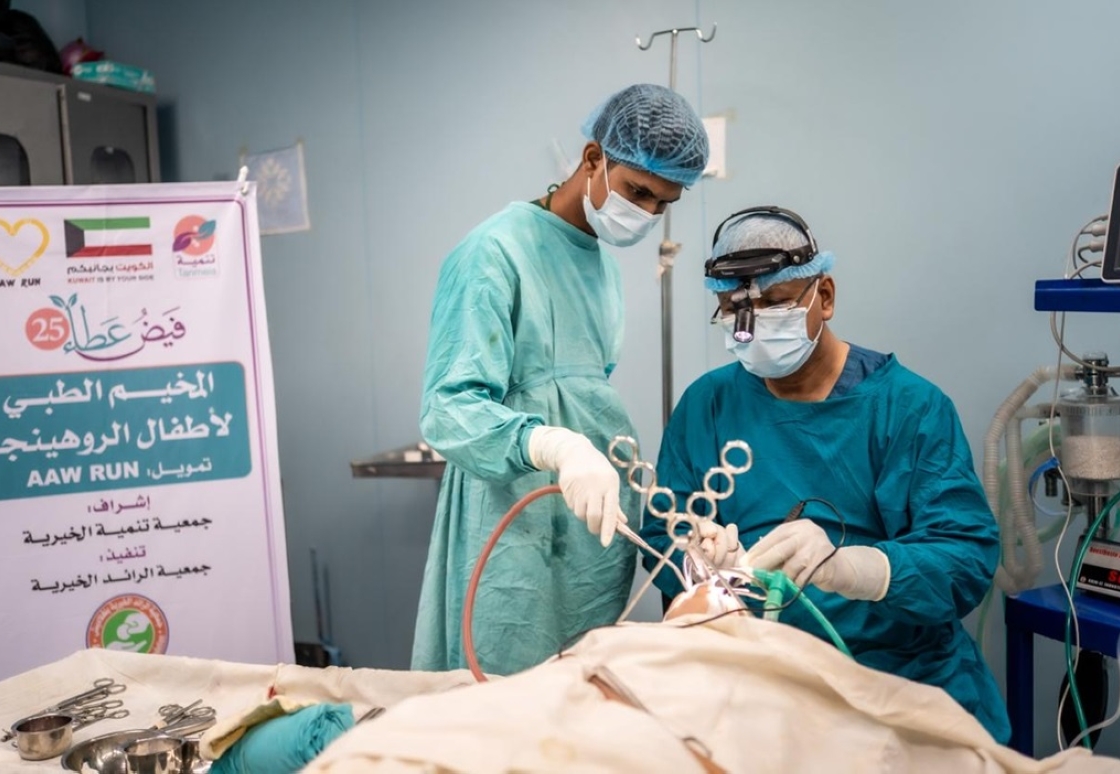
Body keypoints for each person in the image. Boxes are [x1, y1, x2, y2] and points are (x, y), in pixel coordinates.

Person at [639, 206, 1010, 744]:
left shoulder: (909, 408)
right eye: (735, 309)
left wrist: (857, 569)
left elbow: (964, 558)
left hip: (895, 683)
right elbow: (662, 533)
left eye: (774, 303)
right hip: (755, 681)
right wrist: (698, 562)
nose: (752, 324)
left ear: (825, 297)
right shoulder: (708, 404)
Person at [412, 84, 710, 675]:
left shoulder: (602, 270)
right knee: (502, 692)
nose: (648, 213)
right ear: (593, 158)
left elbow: (582, 393)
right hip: (512, 517)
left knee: (583, 692)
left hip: (588, 528)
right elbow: (448, 409)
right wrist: (553, 444)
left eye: (663, 203)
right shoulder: (492, 252)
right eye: (638, 191)